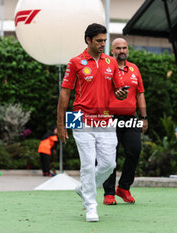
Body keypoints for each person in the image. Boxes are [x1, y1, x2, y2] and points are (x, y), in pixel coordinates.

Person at [57, 23, 127, 222]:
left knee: (109, 164)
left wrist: (121, 94)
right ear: (87, 40)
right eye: (99, 41)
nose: (103, 44)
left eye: (105, 41)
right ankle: (91, 206)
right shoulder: (75, 62)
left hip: (105, 120)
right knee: (88, 165)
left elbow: (119, 90)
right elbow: (65, 93)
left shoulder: (111, 62)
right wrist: (61, 124)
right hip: (80, 118)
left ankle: (83, 188)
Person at [102, 38, 148, 205]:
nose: (122, 50)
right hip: (109, 119)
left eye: (124, 48)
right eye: (118, 48)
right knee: (109, 156)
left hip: (131, 118)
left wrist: (144, 117)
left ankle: (123, 188)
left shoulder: (134, 69)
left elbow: (140, 93)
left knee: (134, 150)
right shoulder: (106, 68)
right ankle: (108, 193)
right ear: (112, 51)